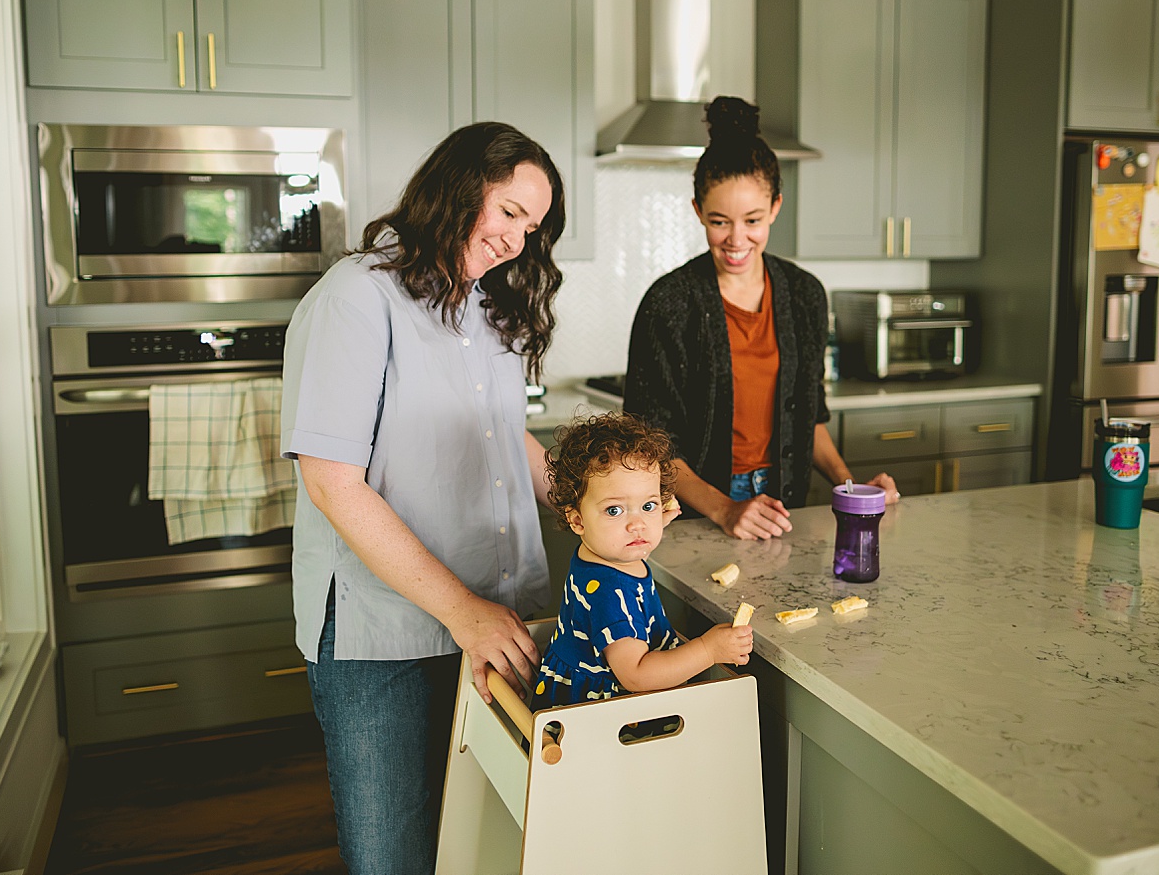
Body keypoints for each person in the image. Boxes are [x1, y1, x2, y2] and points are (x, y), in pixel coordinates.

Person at [281, 122, 566, 875]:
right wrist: (462, 610)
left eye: (530, 229)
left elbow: (508, 436)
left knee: (486, 845)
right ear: (458, 184)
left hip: (494, 624)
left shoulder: (486, 308)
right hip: (390, 639)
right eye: (508, 212)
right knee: (395, 858)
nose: (516, 240)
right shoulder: (356, 297)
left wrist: (593, 504)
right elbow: (331, 480)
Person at [625, 96, 899, 541]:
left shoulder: (804, 294)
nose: (736, 239)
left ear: (775, 206)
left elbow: (809, 419)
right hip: (697, 511)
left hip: (784, 503)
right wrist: (725, 509)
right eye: (719, 221)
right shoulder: (669, 303)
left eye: (753, 219)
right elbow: (650, 447)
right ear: (697, 212)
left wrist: (851, 487)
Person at [531, 412, 753, 709]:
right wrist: (707, 650)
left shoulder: (604, 552)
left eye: (648, 505)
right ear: (578, 521)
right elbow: (636, 676)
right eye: (615, 510)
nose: (638, 525)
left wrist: (655, 519)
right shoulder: (612, 594)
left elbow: (629, 532)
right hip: (600, 717)